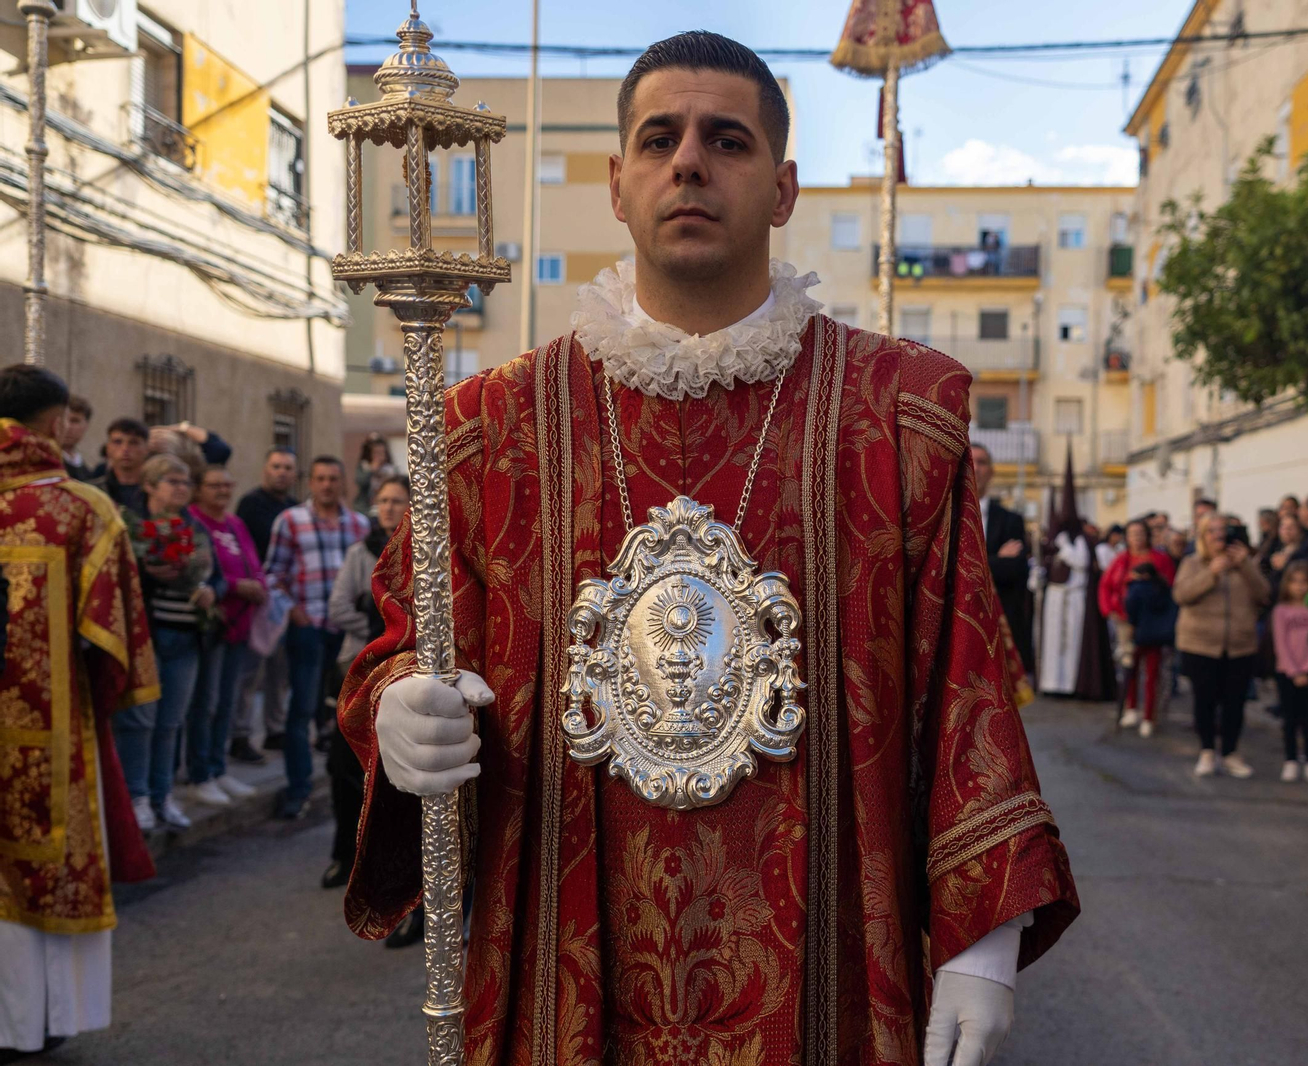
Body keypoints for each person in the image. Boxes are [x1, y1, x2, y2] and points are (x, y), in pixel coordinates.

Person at [339, 31, 1077, 1066]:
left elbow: (965, 684)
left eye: (724, 139)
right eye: (659, 138)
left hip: (826, 967)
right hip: (564, 948)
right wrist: (398, 706)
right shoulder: (490, 427)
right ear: (616, 183)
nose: (688, 160)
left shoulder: (899, 417)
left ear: (780, 189)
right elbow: (411, 639)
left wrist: (982, 941)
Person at [0, 365, 159, 1060]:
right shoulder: (81, 511)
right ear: (57, 422)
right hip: (49, 735)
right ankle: (38, 1021)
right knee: (48, 864)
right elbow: (116, 640)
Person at [114, 454, 222, 831]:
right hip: (146, 634)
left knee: (171, 722)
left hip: (187, 636)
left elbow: (217, 575)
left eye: (185, 482)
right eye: (172, 481)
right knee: (139, 720)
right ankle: (137, 798)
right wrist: (148, 573)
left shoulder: (194, 524)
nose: (181, 488)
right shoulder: (132, 525)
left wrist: (210, 590)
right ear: (149, 485)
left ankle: (163, 797)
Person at [264, 456, 368, 820]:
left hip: (350, 635)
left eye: (333, 478)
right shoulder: (290, 521)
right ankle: (299, 788)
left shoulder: (359, 525)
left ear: (343, 483)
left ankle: (355, 790)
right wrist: (294, 612)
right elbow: (272, 575)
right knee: (303, 710)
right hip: (309, 629)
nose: (327, 485)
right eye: (320, 478)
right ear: (310, 482)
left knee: (350, 711)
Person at [324, 474, 409, 888]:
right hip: (357, 669)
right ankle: (344, 855)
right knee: (341, 768)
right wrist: (383, 625)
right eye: (383, 500)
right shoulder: (361, 552)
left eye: (397, 500)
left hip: (400, 672)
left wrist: (384, 623)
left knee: (393, 776)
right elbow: (339, 606)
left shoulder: (418, 552)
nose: (389, 507)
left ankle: (390, 870)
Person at [185, 465, 267, 807]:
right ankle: (199, 773)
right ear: (199, 489)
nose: (222, 491)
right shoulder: (193, 521)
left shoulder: (234, 524)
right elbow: (208, 573)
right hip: (213, 625)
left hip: (240, 626)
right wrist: (237, 586)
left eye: (226, 485)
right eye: (214, 485)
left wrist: (257, 586)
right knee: (207, 702)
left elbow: (253, 565)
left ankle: (219, 769)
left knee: (227, 702)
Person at [1174, 513, 1271, 777]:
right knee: (1204, 701)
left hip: (1240, 644)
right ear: (1203, 536)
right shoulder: (1192, 563)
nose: (1218, 536)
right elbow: (1182, 595)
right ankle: (1207, 750)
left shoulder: (1245, 563)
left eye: (1223, 531)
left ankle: (1230, 752)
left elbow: (1264, 595)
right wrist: (1211, 573)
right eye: (1212, 531)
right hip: (1200, 644)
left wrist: (1246, 566)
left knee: (1235, 703)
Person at [231, 447, 299, 761]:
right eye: (276, 466)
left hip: (285, 601)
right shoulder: (251, 504)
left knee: (280, 672)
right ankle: (240, 734)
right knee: (249, 672)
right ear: (265, 470)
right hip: (257, 600)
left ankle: (275, 730)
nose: (281, 472)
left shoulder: (295, 509)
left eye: (287, 467)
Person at [1038, 451, 1114, 699]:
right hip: (1056, 597)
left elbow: (1081, 563)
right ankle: (1052, 683)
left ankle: (1072, 683)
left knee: (1071, 644)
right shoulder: (1056, 541)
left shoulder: (1080, 541)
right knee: (1053, 643)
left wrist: (1065, 547)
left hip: (1075, 597)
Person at [1098, 519, 1175, 721]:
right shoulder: (1121, 559)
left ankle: (1150, 714)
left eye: (1140, 533)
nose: (1137, 538)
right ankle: (1131, 707)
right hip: (1125, 620)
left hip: (1151, 621)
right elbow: (1105, 585)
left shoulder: (1160, 559)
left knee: (1152, 668)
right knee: (1129, 665)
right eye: (1132, 534)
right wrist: (1109, 610)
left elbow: (1170, 588)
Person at [972, 443, 1034, 675]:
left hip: (1001, 620)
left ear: (992, 471)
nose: (976, 468)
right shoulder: (947, 514)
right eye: (972, 461)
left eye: (982, 462)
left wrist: (977, 565)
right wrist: (996, 559)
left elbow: (1016, 570)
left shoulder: (1011, 520)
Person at [1272, 561, 1308, 783]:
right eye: (1295, 582)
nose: (1300, 587)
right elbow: (1280, 644)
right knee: (1290, 718)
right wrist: (1294, 670)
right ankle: (1290, 759)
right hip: (1287, 671)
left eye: (1304, 582)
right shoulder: (1281, 611)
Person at [1122, 561, 1178, 738]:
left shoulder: (1137, 589)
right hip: (1157, 638)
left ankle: (1132, 709)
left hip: (1138, 635)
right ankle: (1148, 717)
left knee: (1132, 673)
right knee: (1152, 678)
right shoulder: (1164, 589)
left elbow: (1131, 610)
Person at [89, 417, 150, 514]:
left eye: (133, 443)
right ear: (108, 448)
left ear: (146, 449)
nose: (125, 449)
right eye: (118, 442)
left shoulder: (157, 492)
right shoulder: (92, 491)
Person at [352, 433, 397, 517]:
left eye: (382, 452)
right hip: (366, 509)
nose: (380, 456)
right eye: (376, 453)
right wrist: (372, 470)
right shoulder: (364, 466)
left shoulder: (391, 469)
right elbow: (361, 482)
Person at [58, 394, 94, 480]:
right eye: (63, 419)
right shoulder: (49, 464)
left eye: (75, 421)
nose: (68, 427)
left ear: (86, 425)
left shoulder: (86, 470)